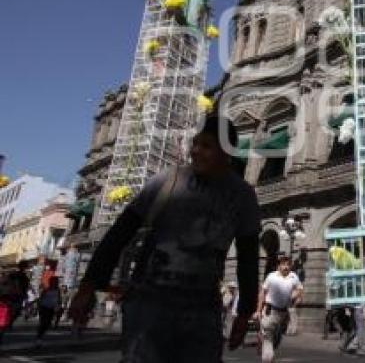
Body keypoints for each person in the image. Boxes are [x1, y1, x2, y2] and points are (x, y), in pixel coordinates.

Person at [68, 115, 261, 362]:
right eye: (196, 144)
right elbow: (119, 233)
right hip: (150, 301)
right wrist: (88, 287)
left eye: (207, 146)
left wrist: (243, 314)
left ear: (227, 152)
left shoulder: (242, 197)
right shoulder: (168, 181)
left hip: (202, 309)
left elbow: (248, 257)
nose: (196, 152)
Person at [256, 253, 303, 363]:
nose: (286, 267)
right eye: (283, 264)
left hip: (283, 314)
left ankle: (262, 339)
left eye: (288, 264)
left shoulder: (293, 276)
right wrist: (258, 310)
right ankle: (267, 356)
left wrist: (296, 298)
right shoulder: (271, 276)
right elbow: (262, 293)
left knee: (276, 340)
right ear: (279, 266)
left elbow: (300, 291)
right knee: (269, 339)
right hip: (269, 311)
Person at [36, 276, 61, 347]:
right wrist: (39, 307)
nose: (56, 283)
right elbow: (41, 298)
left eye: (56, 281)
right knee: (43, 322)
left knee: (48, 323)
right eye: (54, 281)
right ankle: (39, 338)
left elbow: (59, 299)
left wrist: (58, 306)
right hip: (44, 307)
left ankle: (40, 336)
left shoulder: (58, 290)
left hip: (51, 308)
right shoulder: (46, 289)